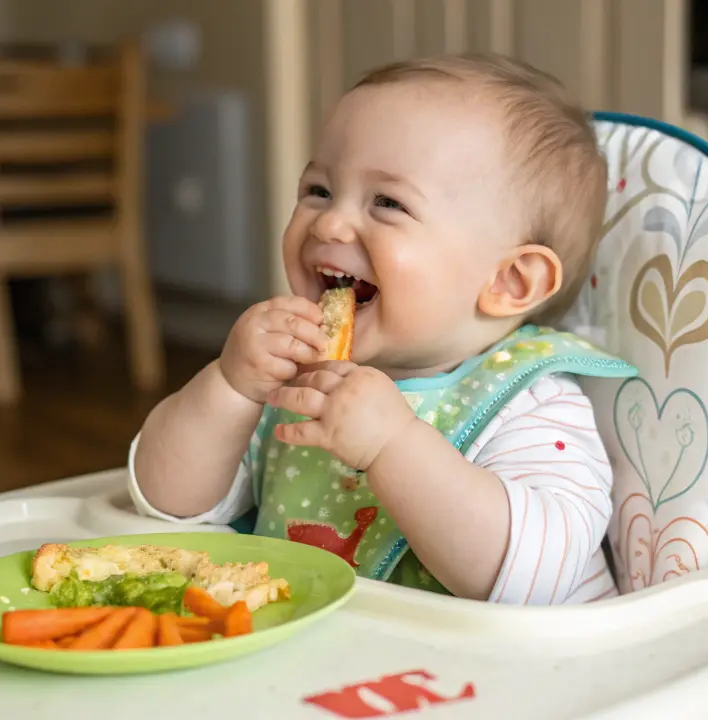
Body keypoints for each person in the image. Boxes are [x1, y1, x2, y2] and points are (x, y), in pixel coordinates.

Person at [129, 53, 636, 605]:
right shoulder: (293, 380)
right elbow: (168, 503)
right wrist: (230, 387)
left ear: (509, 281)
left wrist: (392, 444)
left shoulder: (530, 403)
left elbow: (532, 579)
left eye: (389, 203)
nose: (329, 223)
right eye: (319, 190)